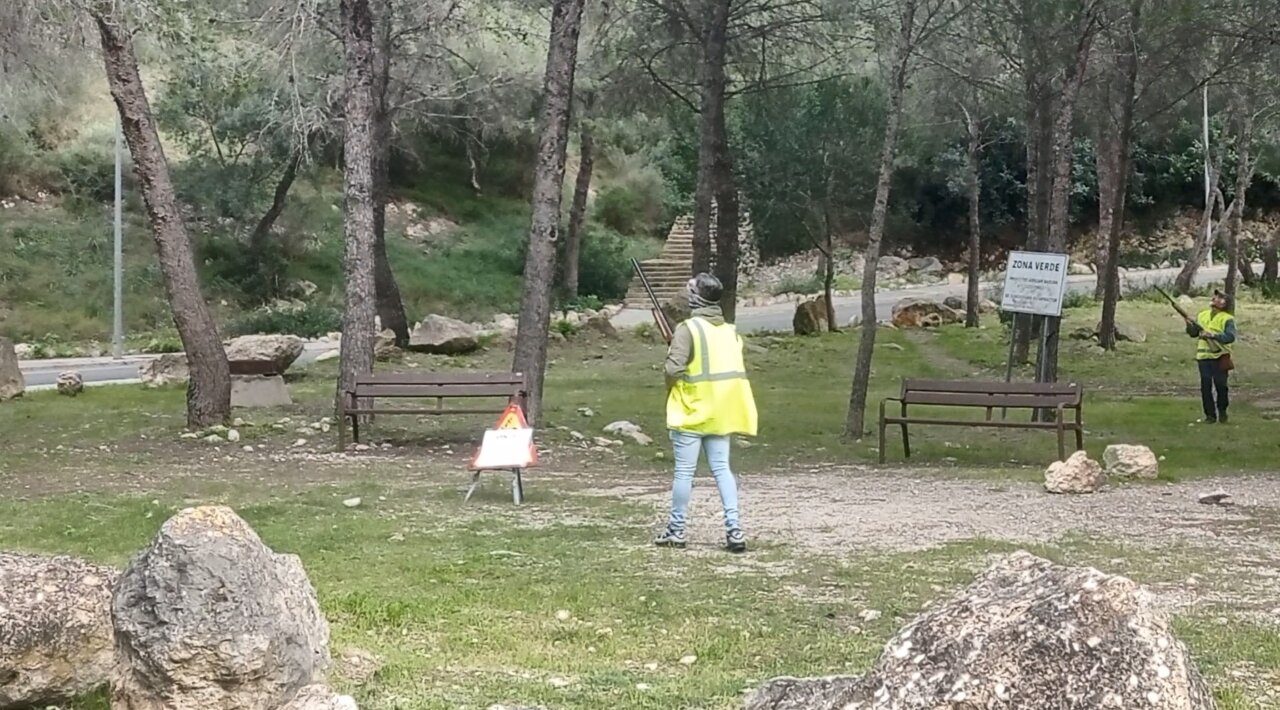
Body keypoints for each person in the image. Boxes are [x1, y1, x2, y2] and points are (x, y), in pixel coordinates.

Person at [655, 272, 758, 553]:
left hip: (691, 411)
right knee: (723, 470)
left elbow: (672, 370)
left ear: (696, 297)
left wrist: (672, 386)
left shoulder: (688, 329)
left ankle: (676, 530)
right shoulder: (730, 331)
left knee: (684, 473)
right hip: (721, 413)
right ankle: (734, 530)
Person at [1187, 289, 1236, 423]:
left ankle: (1222, 411)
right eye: (1216, 296)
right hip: (1203, 357)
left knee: (1221, 386)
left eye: (1220, 297)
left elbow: (1230, 337)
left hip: (1220, 356)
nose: (1216, 299)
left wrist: (1213, 335)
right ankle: (1210, 416)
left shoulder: (1228, 319)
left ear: (1225, 303)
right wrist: (1189, 324)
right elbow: (1193, 333)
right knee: (1205, 386)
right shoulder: (1202, 315)